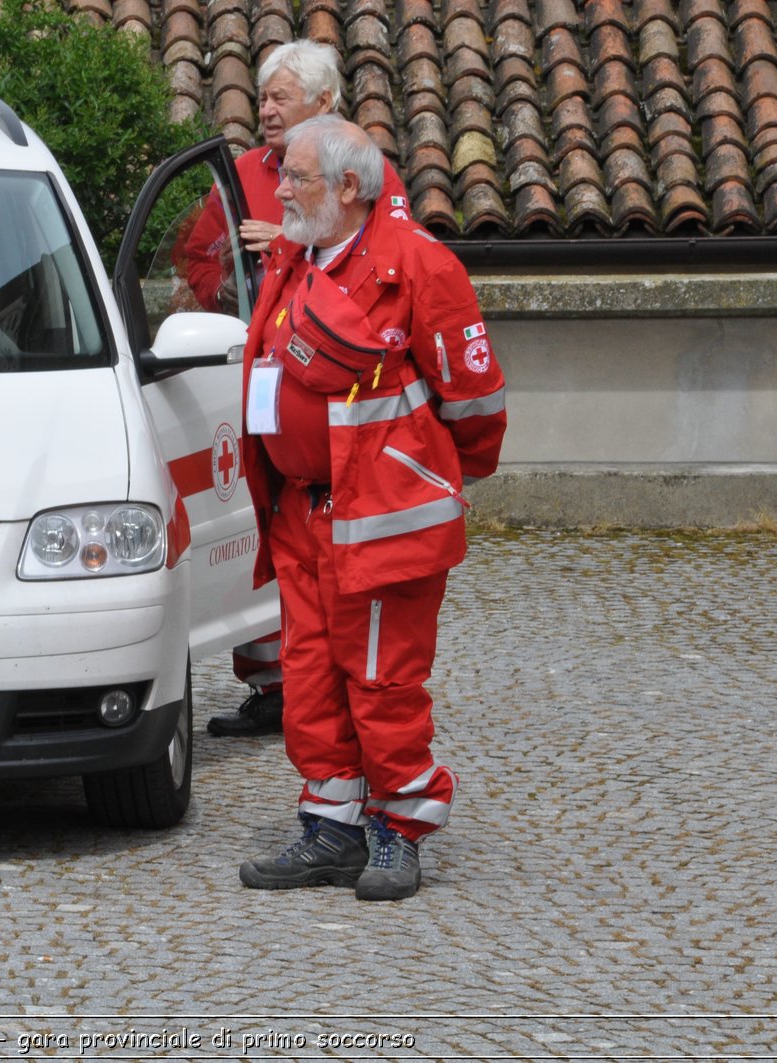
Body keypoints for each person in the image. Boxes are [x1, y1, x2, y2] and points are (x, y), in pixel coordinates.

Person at [234, 116, 507, 901]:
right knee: (310, 675)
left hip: (383, 517)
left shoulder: (421, 266)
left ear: (348, 188)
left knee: (383, 681)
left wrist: (424, 478)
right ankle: (332, 828)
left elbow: (477, 409)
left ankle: (398, 828)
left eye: (296, 177)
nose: (278, 189)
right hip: (301, 515)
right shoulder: (293, 259)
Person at [181, 39, 410, 738]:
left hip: (341, 399)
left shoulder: (367, 172)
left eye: (282, 96)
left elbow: (383, 263)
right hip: (253, 374)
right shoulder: (241, 171)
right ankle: (271, 681)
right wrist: (225, 279)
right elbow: (196, 255)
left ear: (325, 103)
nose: (267, 108)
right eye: (264, 95)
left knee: (329, 547)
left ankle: (333, 681)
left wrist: (283, 244)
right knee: (259, 525)